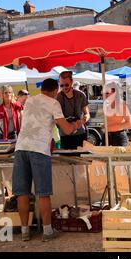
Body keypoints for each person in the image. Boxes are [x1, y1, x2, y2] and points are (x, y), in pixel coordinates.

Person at [13, 78, 83, 242]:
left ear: (42, 88)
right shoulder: (53, 103)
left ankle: (25, 231)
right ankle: (47, 231)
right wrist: (77, 125)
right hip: (39, 149)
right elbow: (65, 129)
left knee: (22, 193)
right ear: (54, 90)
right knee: (43, 193)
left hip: (21, 147)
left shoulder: (29, 100)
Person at [56, 71, 90, 149]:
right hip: (65, 134)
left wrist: (82, 121)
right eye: (61, 85)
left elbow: (87, 114)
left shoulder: (80, 95)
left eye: (66, 85)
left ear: (71, 82)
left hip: (80, 133)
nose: (64, 87)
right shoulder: (57, 97)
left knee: (81, 159)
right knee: (66, 160)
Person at [104, 82, 131, 146]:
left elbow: (129, 123)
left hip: (119, 137)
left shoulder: (122, 104)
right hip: (107, 136)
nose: (105, 94)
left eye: (107, 93)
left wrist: (112, 127)